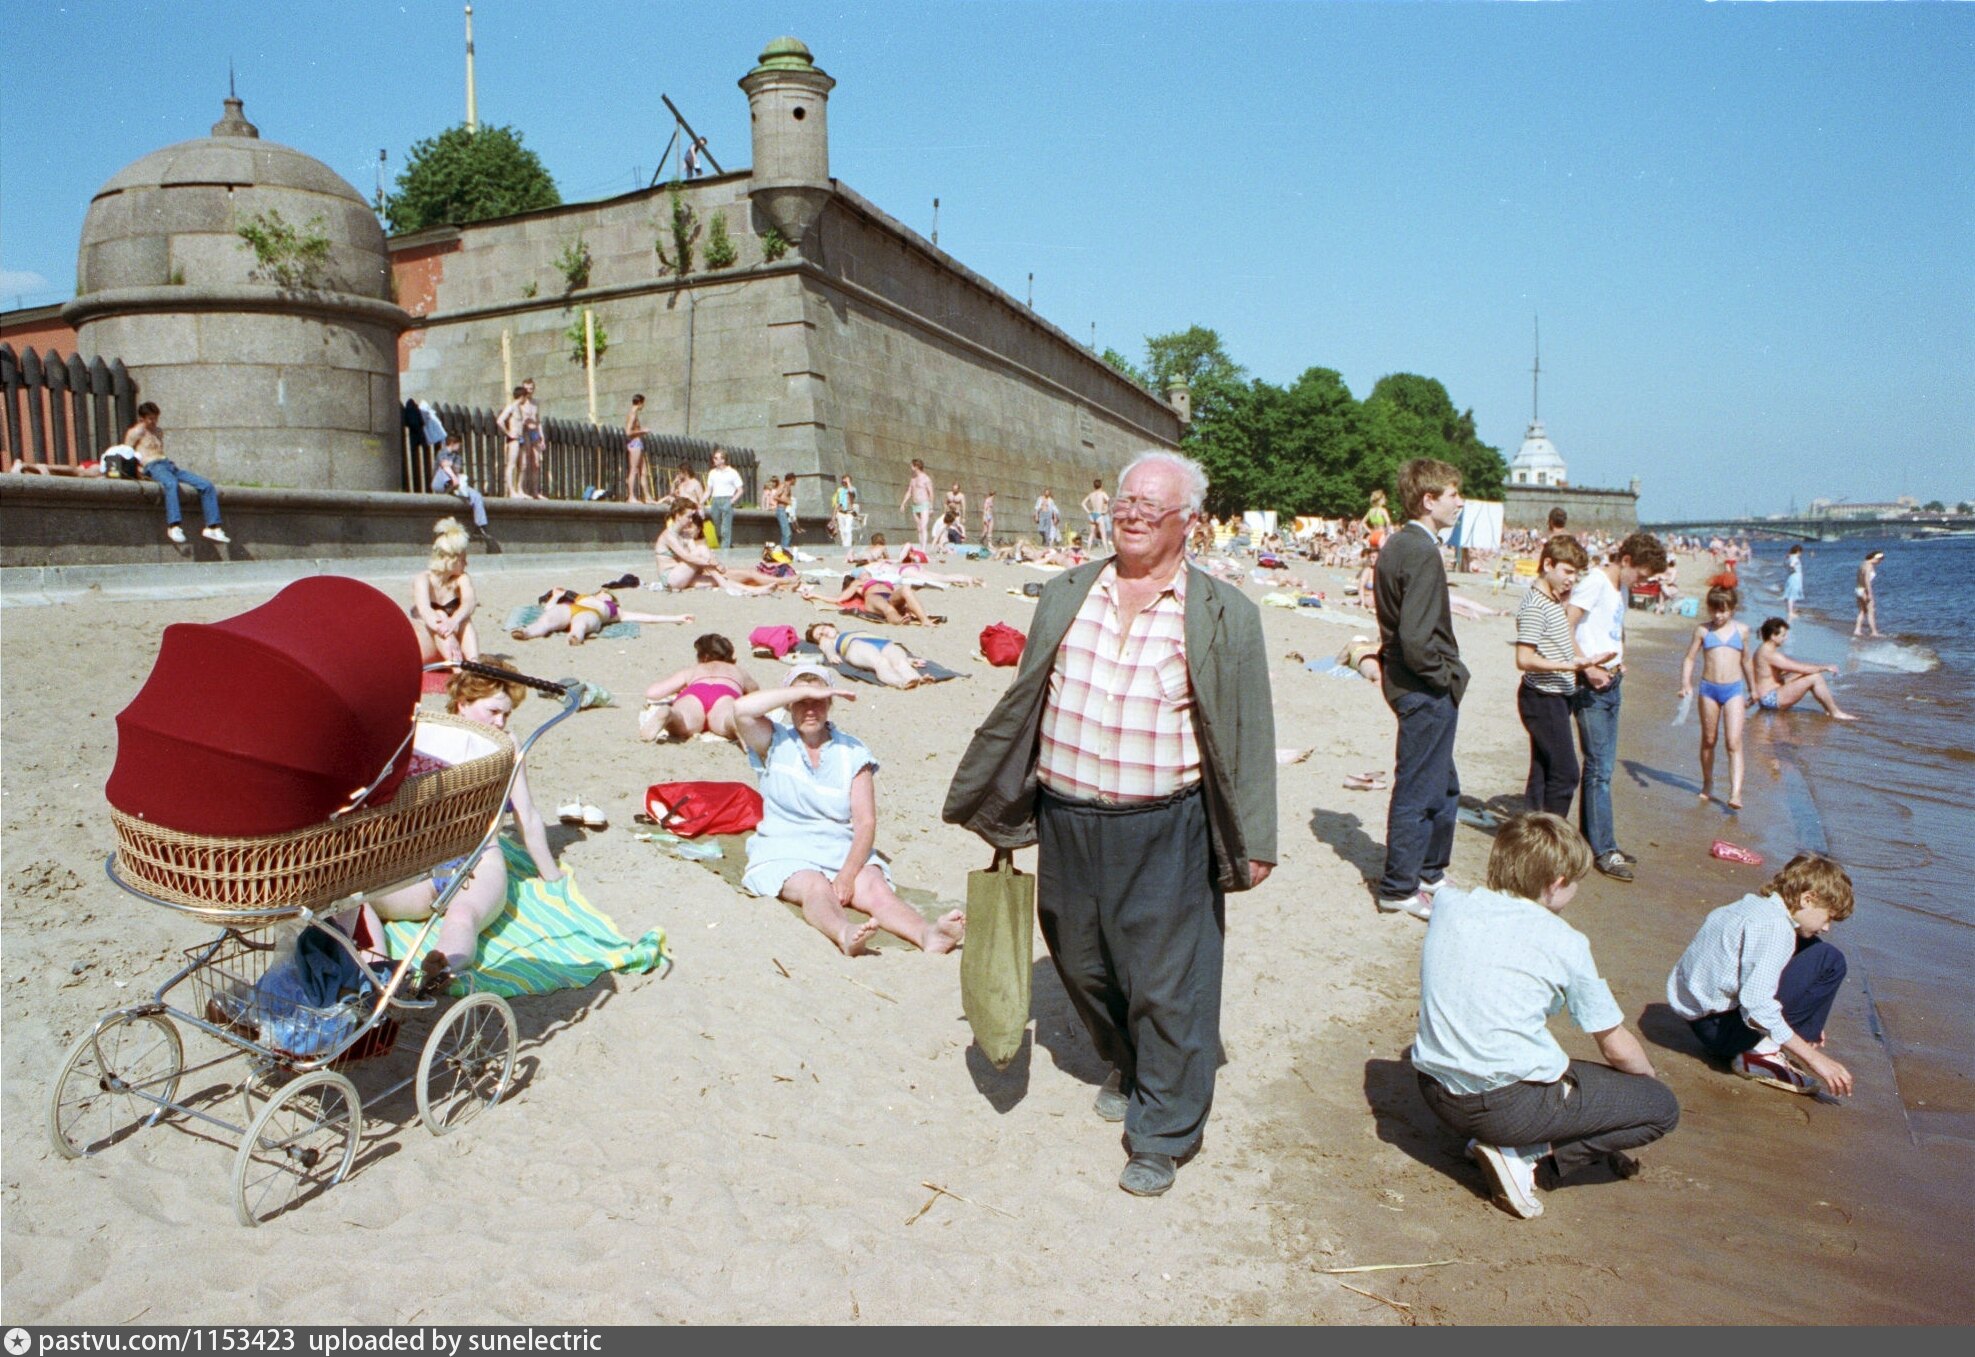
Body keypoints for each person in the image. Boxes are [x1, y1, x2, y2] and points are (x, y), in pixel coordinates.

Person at [945, 449, 1277, 1198]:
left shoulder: (1228, 615)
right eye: (1124, 502)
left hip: (1167, 823)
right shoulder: (1067, 591)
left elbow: (1250, 731)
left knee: (1168, 981)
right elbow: (1027, 700)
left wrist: (1255, 840)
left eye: (1149, 506)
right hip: (1067, 816)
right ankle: (1128, 1062)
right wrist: (1003, 800)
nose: (1129, 515)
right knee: (1082, 963)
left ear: (1186, 521)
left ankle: (1161, 1130)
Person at [1413, 813, 1678, 1220]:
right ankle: (1535, 1158)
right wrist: (1647, 1080)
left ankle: (1501, 1141)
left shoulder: (1450, 905)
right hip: (1501, 1105)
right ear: (1556, 884)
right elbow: (1614, 1044)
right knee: (1660, 1108)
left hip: (1433, 1088)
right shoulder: (1565, 941)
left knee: (1541, 1063)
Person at [732, 665, 966, 957]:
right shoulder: (774, 741)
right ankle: (844, 933)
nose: (810, 709)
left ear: (830, 703)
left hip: (839, 847)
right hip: (785, 845)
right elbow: (741, 709)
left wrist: (847, 873)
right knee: (815, 886)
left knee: (876, 891)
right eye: (801, 702)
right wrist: (805, 690)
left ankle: (927, 934)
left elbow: (866, 822)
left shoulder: (852, 752)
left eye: (818, 701)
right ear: (789, 704)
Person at [361, 661, 562, 992]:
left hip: (470, 856)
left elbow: (526, 815)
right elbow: (525, 814)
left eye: (506, 716)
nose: (500, 722)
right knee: (354, 903)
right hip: (442, 859)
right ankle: (381, 973)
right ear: (463, 701)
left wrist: (552, 877)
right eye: (494, 711)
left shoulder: (500, 744)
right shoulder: (424, 733)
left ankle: (438, 967)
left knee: (463, 917)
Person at [1667, 851, 1856, 1098]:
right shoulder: (1777, 930)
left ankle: (1795, 1033)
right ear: (1808, 899)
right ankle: (1761, 1053)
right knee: (1830, 960)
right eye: (1828, 917)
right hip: (1721, 1033)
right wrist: (1813, 1058)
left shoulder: (1749, 905)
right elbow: (1757, 1008)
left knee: (1814, 946)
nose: (1827, 927)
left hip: (1696, 1014)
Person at [1372, 458, 1468, 920]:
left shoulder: (1398, 544)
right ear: (1429, 500)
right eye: (1453, 495)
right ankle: (1399, 885)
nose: (1460, 502)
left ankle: (1429, 870)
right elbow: (1414, 637)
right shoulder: (1421, 551)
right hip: (1422, 688)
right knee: (1418, 788)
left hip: (1410, 683)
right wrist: (1445, 676)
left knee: (1444, 785)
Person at [1567, 531, 1670, 883]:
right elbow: (1569, 622)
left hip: (1611, 681)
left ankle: (1597, 840)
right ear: (1626, 561)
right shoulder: (1595, 582)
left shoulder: (1618, 588)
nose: (1641, 582)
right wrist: (1588, 667)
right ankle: (1603, 849)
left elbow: (1614, 627)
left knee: (1603, 767)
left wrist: (1620, 658)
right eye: (1640, 575)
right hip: (1590, 683)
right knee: (1599, 768)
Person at [1514, 536, 1614, 816]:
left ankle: (1534, 833)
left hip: (1552, 695)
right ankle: (1551, 835)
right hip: (1542, 697)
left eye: (1576, 574)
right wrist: (1571, 667)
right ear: (1548, 564)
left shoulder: (1551, 600)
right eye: (1567, 572)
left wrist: (1585, 661)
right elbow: (1523, 659)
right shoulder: (1536, 605)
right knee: (1566, 773)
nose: (1572, 580)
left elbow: (1554, 642)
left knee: (1543, 769)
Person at [1680, 586, 1755, 810]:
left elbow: (1746, 661)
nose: (1718, 616)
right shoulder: (1703, 631)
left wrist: (1754, 688)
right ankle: (1708, 782)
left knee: (1733, 741)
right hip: (1708, 690)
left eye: (1723, 611)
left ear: (1732, 609)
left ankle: (1735, 792)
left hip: (1734, 690)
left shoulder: (1742, 631)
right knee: (1709, 740)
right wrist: (1685, 683)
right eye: (1714, 611)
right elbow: (1689, 659)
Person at [123, 402, 230, 546]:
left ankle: (213, 527)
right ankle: (174, 525)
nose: (154, 422)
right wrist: (137, 471)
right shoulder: (135, 432)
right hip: (152, 466)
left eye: (156, 418)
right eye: (150, 419)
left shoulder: (158, 431)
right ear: (142, 419)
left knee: (206, 485)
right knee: (171, 484)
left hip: (168, 464)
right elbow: (126, 453)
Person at [643, 633, 758, 741]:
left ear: (703, 657)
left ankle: (671, 715)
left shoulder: (693, 670)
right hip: (725, 694)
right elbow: (755, 692)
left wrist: (679, 690)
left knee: (682, 720)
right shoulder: (738, 671)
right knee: (726, 719)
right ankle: (733, 723)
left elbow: (653, 693)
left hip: (696, 692)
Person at [511, 586, 690, 645]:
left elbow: (646, 617)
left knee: (581, 624)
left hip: (592, 615)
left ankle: (575, 637)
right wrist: (557, 596)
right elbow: (548, 608)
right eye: (603, 591)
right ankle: (527, 632)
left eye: (609, 594)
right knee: (547, 620)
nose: (604, 593)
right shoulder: (583, 597)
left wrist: (676, 617)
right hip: (570, 608)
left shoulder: (614, 610)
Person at [1752, 617, 1857, 719]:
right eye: (1783, 635)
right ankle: (1835, 712)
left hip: (1768, 697)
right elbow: (1801, 668)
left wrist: (1806, 671)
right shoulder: (1770, 654)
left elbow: (1789, 671)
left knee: (1804, 674)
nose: (1786, 638)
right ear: (1773, 636)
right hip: (1771, 700)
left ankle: (1829, 710)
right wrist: (1826, 667)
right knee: (1815, 677)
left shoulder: (1762, 650)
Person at [410, 518, 481, 665]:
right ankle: (458, 668)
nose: (466, 564)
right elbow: (425, 611)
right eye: (463, 560)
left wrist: (454, 620)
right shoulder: (423, 579)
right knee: (439, 614)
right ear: (451, 560)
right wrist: (446, 631)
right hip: (427, 645)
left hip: (452, 643)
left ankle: (474, 662)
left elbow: (469, 602)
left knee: (465, 620)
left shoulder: (461, 578)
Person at [805, 621, 930, 688]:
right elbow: (827, 647)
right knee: (881, 663)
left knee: (901, 662)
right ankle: (900, 682)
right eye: (819, 636)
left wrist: (909, 659)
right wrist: (831, 655)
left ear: (831, 626)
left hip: (883, 643)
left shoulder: (849, 632)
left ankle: (916, 679)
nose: (823, 634)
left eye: (823, 629)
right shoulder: (828, 641)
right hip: (854, 646)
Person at [430, 436, 489, 534]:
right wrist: (453, 476)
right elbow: (444, 466)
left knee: (476, 495)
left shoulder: (458, 457)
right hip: (440, 483)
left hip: (454, 483)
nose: (460, 447)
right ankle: (451, 485)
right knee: (445, 471)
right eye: (458, 444)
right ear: (453, 443)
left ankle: (480, 526)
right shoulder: (442, 452)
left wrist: (455, 474)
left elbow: (457, 470)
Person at [496, 385, 532, 498]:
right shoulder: (511, 407)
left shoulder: (520, 409)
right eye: (525, 397)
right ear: (522, 397)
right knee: (511, 464)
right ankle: (511, 490)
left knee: (523, 465)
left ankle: (519, 489)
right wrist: (508, 433)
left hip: (521, 439)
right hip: (513, 440)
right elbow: (500, 420)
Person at [705, 447, 744, 551]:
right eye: (714, 458)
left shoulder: (732, 472)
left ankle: (724, 550)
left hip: (727, 499)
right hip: (715, 500)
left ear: (723, 460)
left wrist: (731, 502)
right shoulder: (712, 473)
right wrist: (700, 501)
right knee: (717, 526)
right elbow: (708, 490)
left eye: (716, 458)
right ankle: (726, 544)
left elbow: (740, 490)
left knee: (725, 528)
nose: (714, 460)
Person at [901, 458, 935, 553]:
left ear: (916, 466)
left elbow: (931, 493)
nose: (910, 467)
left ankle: (923, 549)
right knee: (919, 528)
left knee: (923, 527)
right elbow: (909, 492)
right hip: (915, 506)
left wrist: (931, 506)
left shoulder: (926, 478)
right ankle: (921, 547)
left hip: (924, 504)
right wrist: (903, 503)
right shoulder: (913, 479)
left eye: (912, 465)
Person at [624, 395, 651, 504]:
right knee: (634, 470)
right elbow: (628, 432)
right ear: (639, 402)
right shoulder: (632, 414)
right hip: (634, 443)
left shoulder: (633, 414)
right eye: (643, 403)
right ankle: (631, 496)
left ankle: (647, 497)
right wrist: (643, 431)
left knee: (644, 471)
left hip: (638, 443)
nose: (643, 406)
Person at [1853, 550, 1884, 638]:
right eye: (1879, 559)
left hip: (1858, 589)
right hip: (1864, 590)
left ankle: (1857, 630)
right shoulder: (1869, 566)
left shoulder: (1863, 564)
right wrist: (1869, 593)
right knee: (1871, 611)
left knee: (1862, 611)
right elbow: (1867, 581)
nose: (1880, 561)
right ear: (1874, 558)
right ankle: (1874, 632)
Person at [833, 474, 861, 556]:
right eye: (844, 480)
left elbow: (852, 493)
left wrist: (849, 482)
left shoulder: (853, 489)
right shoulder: (840, 490)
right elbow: (838, 503)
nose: (844, 482)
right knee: (842, 531)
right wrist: (834, 516)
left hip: (849, 513)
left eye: (847, 480)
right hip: (841, 513)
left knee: (848, 530)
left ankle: (847, 549)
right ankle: (845, 548)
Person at [1082, 478, 1111, 548]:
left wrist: (1088, 511)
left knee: (1091, 534)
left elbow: (1083, 503)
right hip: (1099, 514)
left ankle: (1088, 550)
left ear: (1094, 486)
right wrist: (1105, 511)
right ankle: (1106, 551)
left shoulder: (1091, 494)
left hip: (1092, 515)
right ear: (1101, 485)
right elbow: (1110, 501)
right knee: (1103, 534)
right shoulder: (1102, 493)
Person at [1781, 544, 1804, 620]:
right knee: (1792, 596)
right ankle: (1790, 613)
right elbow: (1791, 565)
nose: (1801, 554)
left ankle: (1791, 610)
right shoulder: (1795, 558)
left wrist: (1790, 570)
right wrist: (1794, 570)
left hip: (1790, 577)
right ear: (1798, 552)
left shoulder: (1789, 557)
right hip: (1795, 578)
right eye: (1800, 553)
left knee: (1790, 594)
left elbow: (1785, 565)